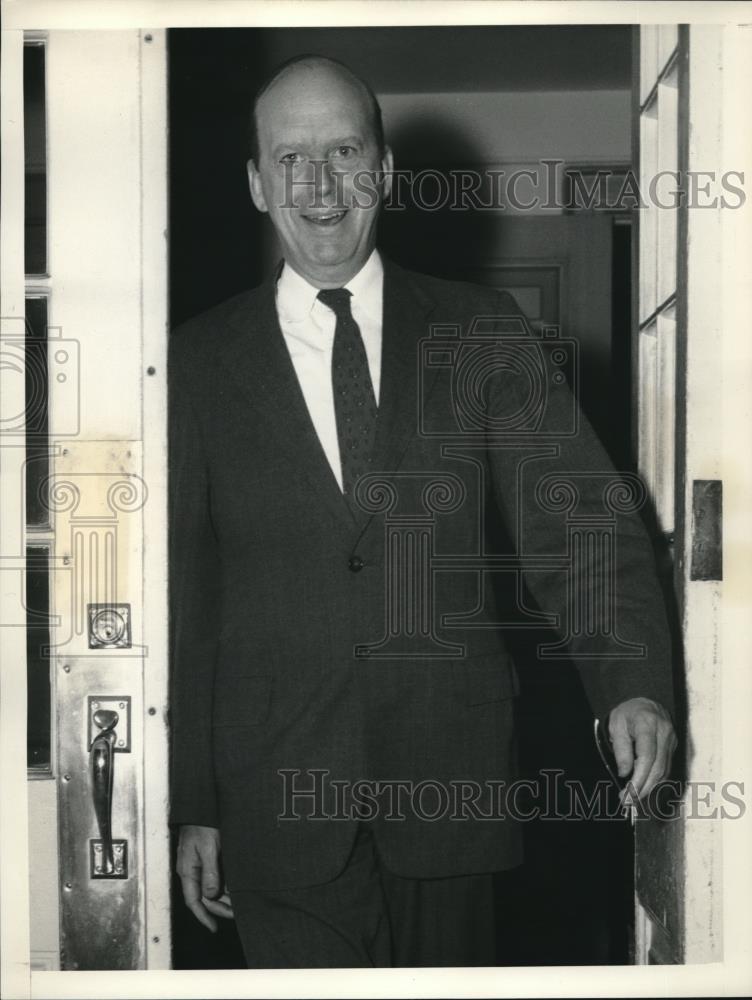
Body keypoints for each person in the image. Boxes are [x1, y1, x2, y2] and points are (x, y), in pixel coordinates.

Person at [169, 54, 677, 968]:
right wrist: (192, 800)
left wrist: (631, 681)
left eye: (344, 151)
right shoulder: (193, 366)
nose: (319, 185)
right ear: (255, 182)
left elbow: (582, 525)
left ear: (386, 172)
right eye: (290, 158)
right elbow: (189, 598)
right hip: (274, 803)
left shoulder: (483, 330)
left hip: (450, 789)